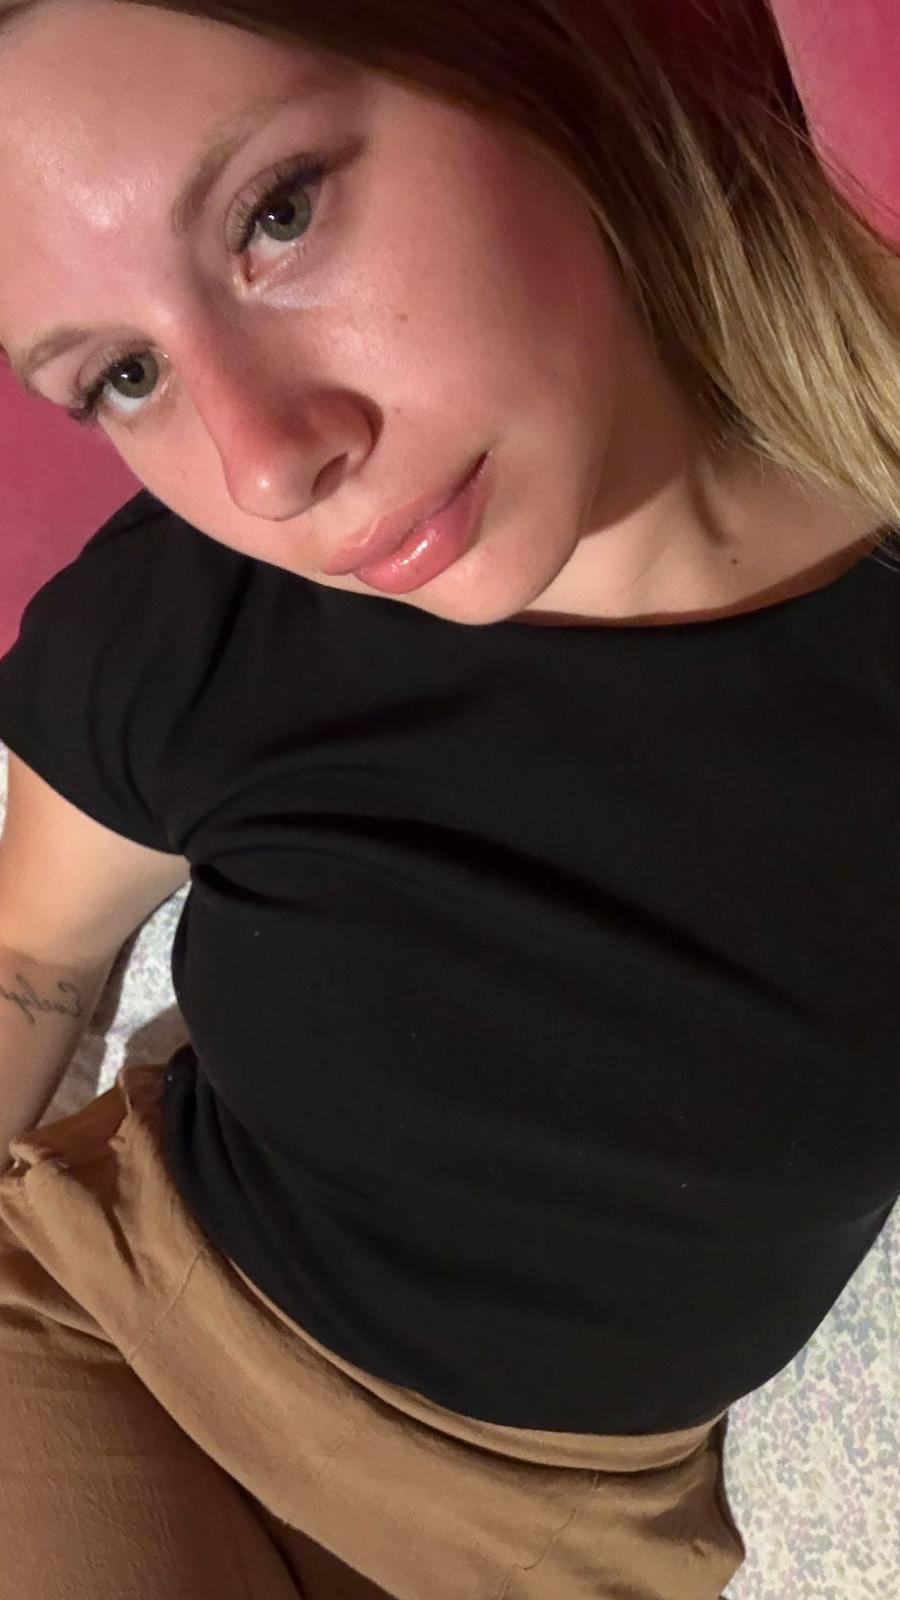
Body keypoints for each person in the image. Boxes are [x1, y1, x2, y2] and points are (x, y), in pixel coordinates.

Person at [0, 0, 897, 1595]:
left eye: (278, 215)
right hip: (117, 1343)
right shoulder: (197, 619)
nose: (265, 465)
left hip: (586, 1531)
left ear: (517, 52)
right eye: (126, 374)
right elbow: (34, 956)